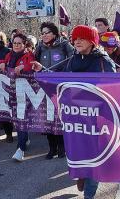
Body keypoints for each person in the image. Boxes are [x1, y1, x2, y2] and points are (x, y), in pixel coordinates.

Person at [33, 25, 116, 199]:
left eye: (82, 38)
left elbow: (114, 90)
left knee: (94, 158)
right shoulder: (72, 60)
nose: (76, 41)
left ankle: (89, 193)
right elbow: (61, 80)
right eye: (75, 38)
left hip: (96, 118)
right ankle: (82, 174)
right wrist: (42, 71)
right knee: (77, 152)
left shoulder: (103, 61)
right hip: (75, 116)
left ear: (92, 40)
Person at [34, 22, 74, 159]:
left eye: (47, 32)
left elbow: (73, 61)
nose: (44, 35)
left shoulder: (64, 45)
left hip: (61, 87)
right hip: (45, 87)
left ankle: (62, 146)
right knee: (48, 117)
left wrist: (61, 74)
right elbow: (33, 63)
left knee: (61, 116)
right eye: (43, 33)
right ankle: (52, 148)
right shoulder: (39, 48)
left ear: (54, 34)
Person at [0, 33, 34, 161]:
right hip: (11, 93)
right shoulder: (9, 55)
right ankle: (25, 138)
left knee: (21, 118)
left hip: (25, 93)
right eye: (14, 43)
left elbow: (33, 65)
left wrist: (24, 66)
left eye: (19, 43)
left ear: (24, 44)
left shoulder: (28, 55)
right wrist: (1, 63)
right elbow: (2, 61)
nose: (16, 45)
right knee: (17, 120)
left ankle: (20, 149)